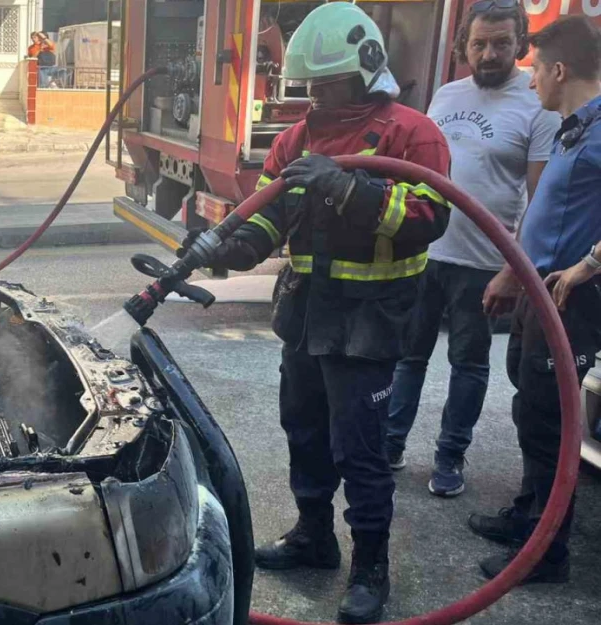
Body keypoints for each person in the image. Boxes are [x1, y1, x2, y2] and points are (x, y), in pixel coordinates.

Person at [177, 4, 450, 622]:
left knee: (361, 450)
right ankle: (314, 537)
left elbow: (428, 220)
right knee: (303, 429)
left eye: (330, 83)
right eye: (312, 85)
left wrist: (350, 187)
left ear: (368, 66)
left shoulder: (412, 134)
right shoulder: (299, 136)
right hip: (306, 314)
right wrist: (235, 243)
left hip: (371, 320)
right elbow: (275, 212)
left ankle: (370, 569)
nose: (319, 96)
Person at [384, 0, 561, 497]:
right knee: (407, 357)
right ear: (464, 46)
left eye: (502, 43)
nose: (489, 53)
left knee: (469, 364)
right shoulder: (445, 95)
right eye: (480, 43)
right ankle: (390, 444)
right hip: (425, 253)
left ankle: (449, 457)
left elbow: (540, 196)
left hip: (482, 264)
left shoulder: (533, 103)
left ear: (520, 44)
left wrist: (513, 268)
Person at [471, 14, 601, 584]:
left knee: (552, 423)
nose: (530, 84)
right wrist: (510, 276)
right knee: (531, 410)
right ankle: (529, 517)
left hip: (571, 304)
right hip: (538, 294)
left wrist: (591, 263)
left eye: (535, 72)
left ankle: (547, 554)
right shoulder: (576, 128)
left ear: (559, 68)